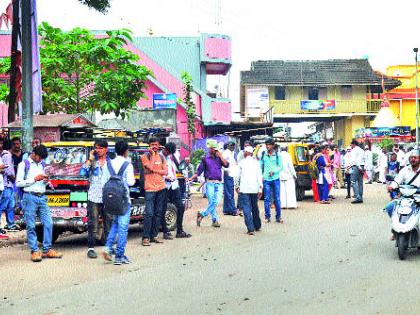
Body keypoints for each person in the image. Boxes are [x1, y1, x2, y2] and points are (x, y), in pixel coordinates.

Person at [16, 145, 63, 262]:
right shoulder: (24, 164)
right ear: (34, 154)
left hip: (42, 197)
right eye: (40, 157)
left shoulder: (41, 164)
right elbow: (18, 183)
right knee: (31, 225)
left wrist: (45, 182)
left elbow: (41, 183)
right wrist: (34, 179)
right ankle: (34, 251)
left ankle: (47, 250)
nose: (41, 160)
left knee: (49, 223)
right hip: (29, 197)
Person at [102, 141, 135, 265]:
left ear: (115, 150)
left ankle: (108, 247)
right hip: (123, 199)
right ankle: (119, 256)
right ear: (126, 151)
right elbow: (131, 182)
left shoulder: (108, 164)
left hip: (111, 199)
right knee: (123, 228)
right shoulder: (128, 164)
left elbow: (103, 182)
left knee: (115, 223)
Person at [79, 139, 113, 259]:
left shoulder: (111, 162)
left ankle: (108, 248)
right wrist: (90, 159)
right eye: (96, 148)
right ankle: (91, 248)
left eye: (100, 148)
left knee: (108, 222)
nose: (98, 150)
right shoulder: (93, 162)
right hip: (94, 196)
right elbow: (82, 172)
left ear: (106, 149)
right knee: (92, 223)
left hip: (108, 197)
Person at [189, 139, 229, 228]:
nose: (215, 150)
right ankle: (215, 220)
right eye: (214, 149)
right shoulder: (205, 159)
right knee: (212, 202)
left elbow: (227, 165)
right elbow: (198, 172)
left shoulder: (219, 158)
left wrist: (221, 156)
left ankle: (202, 214)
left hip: (219, 183)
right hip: (209, 183)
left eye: (216, 149)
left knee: (216, 201)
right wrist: (190, 178)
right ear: (210, 149)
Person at [140, 137, 167, 246]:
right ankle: (145, 238)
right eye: (152, 145)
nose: (154, 146)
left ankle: (154, 236)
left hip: (161, 187)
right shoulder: (145, 156)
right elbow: (149, 167)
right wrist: (153, 157)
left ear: (159, 145)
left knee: (158, 212)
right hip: (150, 188)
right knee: (149, 213)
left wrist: (154, 170)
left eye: (156, 144)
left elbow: (165, 171)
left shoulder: (162, 157)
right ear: (149, 146)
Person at [162, 142, 191, 239]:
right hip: (163, 186)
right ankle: (165, 232)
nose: (168, 153)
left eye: (170, 152)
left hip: (174, 185)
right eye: (167, 152)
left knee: (180, 207)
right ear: (165, 149)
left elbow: (175, 169)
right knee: (162, 209)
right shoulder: (159, 157)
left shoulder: (171, 157)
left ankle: (179, 230)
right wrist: (165, 178)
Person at [384, 150, 420, 221]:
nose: (413, 159)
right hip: (406, 196)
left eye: (415, 158)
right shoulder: (405, 170)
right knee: (389, 207)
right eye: (411, 158)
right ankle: (397, 227)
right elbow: (397, 180)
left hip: (419, 196)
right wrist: (392, 186)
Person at [236, 146, 262, 235]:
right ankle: (257, 225)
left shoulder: (241, 163)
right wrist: (260, 188)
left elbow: (237, 176)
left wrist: (236, 185)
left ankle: (250, 229)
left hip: (244, 188)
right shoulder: (256, 163)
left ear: (247, 153)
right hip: (254, 188)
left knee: (246, 208)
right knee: (255, 207)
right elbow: (259, 176)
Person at [260, 138, 283, 223]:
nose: (267, 146)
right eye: (266, 144)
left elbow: (281, 167)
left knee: (277, 198)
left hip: (275, 179)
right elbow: (260, 166)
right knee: (266, 199)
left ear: (273, 145)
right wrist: (261, 176)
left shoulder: (278, 155)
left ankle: (278, 217)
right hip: (266, 180)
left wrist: (274, 171)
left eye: (269, 144)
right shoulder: (263, 154)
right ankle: (267, 217)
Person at [0, 138, 19, 231]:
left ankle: (10, 224)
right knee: (3, 205)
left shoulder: (7, 155)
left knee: (10, 205)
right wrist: (15, 180)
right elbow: (7, 171)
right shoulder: (7, 155)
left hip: (10, 184)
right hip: (7, 184)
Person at [222, 141, 238, 216]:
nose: (233, 147)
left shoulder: (231, 153)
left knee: (228, 192)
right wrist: (226, 171)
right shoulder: (226, 153)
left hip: (231, 174)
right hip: (228, 174)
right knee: (230, 193)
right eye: (231, 145)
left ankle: (226, 209)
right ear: (228, 146)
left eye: (233, 146)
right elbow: (222, 163)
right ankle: (233, 210)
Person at [349, 139, 365, 204]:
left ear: (354, 144)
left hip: (356, 166)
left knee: (353, 182)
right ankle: (360, 197)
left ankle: (357, 197)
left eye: (351, 145)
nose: (351, 146)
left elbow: (355, 160)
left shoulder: (353, 150)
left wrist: (358, 167)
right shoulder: (362, 150)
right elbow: (363, 159)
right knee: (360, 182)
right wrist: (362, 168)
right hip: (362, 166)